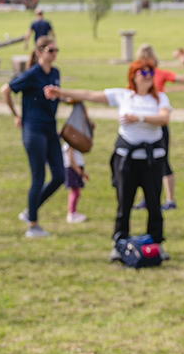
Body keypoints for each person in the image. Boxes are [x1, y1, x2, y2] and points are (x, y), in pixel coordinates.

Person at [55, 63, 174, 253]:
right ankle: (119, 243)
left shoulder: (160, 97)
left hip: (152, 160)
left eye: (151, 72)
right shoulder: (123, 95)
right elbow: (88, 94)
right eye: (143, 72)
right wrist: (60, 92)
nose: (148, 75)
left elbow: (163, 118)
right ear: (133, 76)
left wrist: (138, 118)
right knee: (124, 202)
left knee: (153, 203)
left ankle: (156, 244)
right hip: (126, 160)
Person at [2, 36, 64, 238]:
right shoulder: (31, 74)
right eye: (50, 50)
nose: (54, 54)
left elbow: (56, 97)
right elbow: (5, 90)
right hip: (34, 129)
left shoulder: (55, 73)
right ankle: (33, 225)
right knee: (39, 177)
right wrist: (16, 115)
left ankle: (30, 210)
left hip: (50, 129)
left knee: (60, 176)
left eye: (56, 50)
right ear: (39, 52)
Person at [133, 43, 184, 209]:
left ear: (153, 59)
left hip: (159, 125)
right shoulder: (137, 77)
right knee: (145, 163)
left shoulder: (160, 73)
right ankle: (148, 198)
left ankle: (170, 200)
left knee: (163, 162)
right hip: (144, 126)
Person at [63, 139, 88, 223]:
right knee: (75, 191)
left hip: (75, 168)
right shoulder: (70, 142)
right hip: (73, 169)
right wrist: (79, 171)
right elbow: (71, 159)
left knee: (75, 191)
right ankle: (72, 214)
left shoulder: (73, 141)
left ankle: (73, 212)